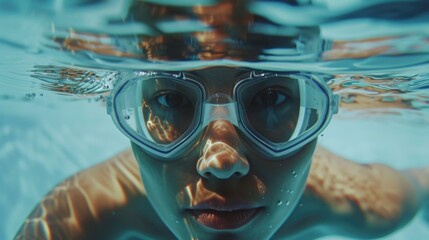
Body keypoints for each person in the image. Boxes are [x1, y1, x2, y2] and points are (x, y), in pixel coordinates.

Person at [15, 66, 429, 240]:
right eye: (170, 101)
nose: (221, 161)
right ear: (130, 113)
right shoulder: (74, 217)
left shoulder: (372, 201)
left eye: (270, 97)